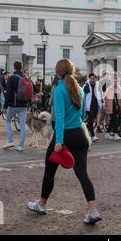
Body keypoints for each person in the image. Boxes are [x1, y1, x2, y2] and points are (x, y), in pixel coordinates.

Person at [27, 58, 101, 225]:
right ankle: (93, 211)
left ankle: (42, 205)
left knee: (49, 172)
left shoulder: (59, 90)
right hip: (80, 136)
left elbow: (59, 118)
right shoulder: (80, 89)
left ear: (58, 72)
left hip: (64, 136)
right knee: (83, 175)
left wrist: (58, 141)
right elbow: (82, 115)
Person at [3, 61, 31, 152]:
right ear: (22, 67)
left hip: (13, 105)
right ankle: (21, 146)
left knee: (8, 121)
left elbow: (8, 94)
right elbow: (31, 91)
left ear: (14, 67)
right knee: (22, 125)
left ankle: (10, 141)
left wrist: (5, 106)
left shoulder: (11, 78)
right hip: (24, 105)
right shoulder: (26, 78)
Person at [104, 73, 121, 140]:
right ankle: (115, 134)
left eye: (117, 81)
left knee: (113, 120)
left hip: (118, 107)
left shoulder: (119, 88)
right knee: (115, 119)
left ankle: (107, 133)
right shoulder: (109, 89)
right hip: (111, 107)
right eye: (114, 81)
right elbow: (105, 97)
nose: (115, 83)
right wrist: (106, 105)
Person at [83, 73, 102, 142]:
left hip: (96, 105)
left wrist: (102, 102)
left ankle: (84, 132)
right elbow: (84, 93)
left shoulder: (98, 85)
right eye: (91, 78)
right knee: (91, 120)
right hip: (89, 105)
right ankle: (93, 136)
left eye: (93, 78)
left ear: (96, 79)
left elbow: (100, 93)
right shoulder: (86, 85)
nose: (92, 79)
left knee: (91, 121)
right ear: (89, 78)